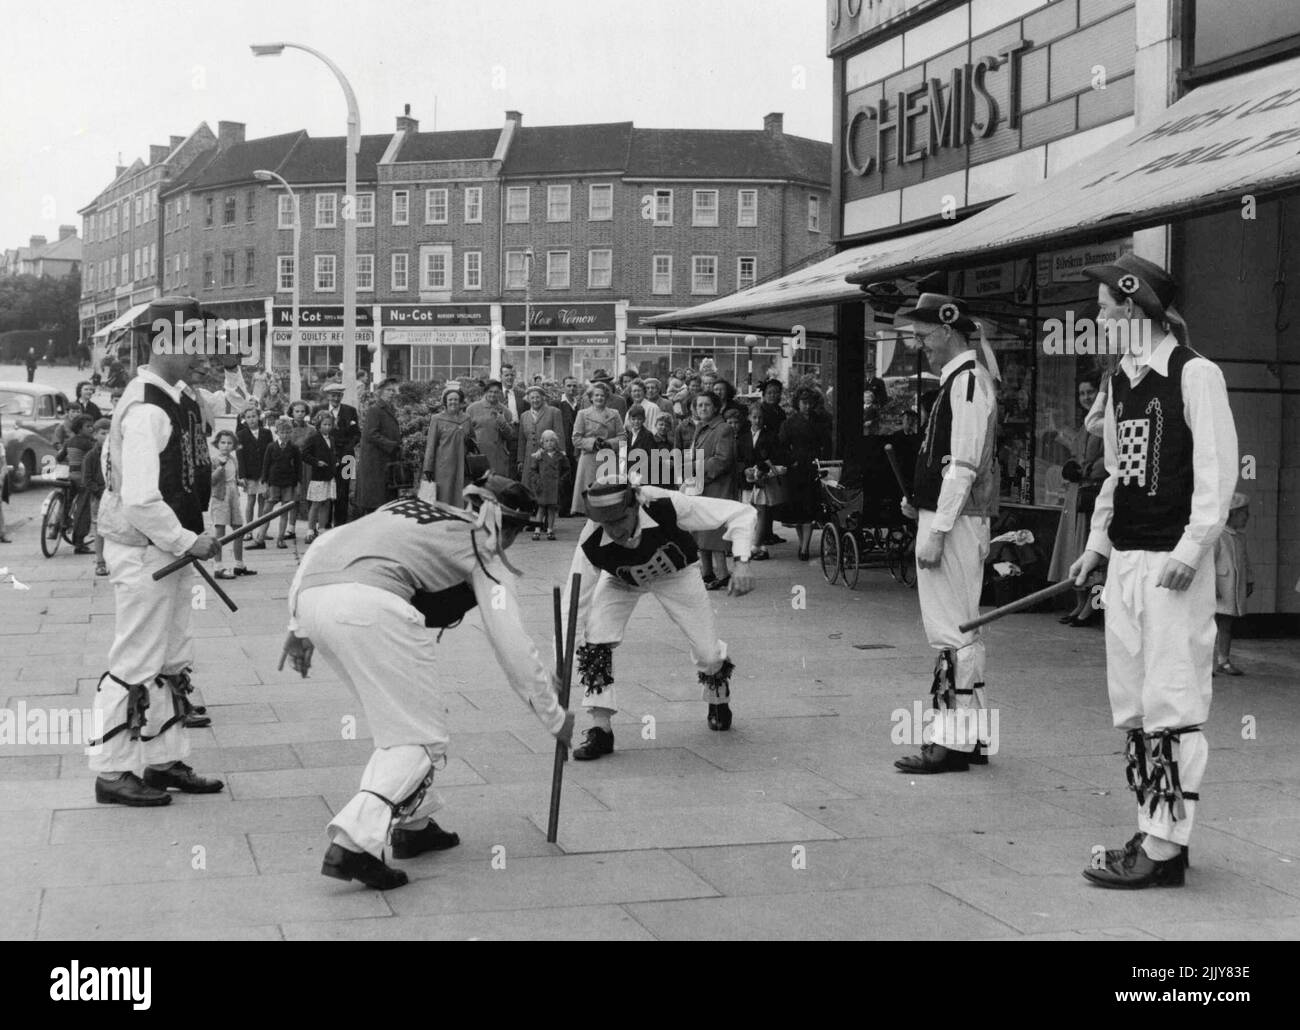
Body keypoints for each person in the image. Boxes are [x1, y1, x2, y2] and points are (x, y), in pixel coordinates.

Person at [281, 473, 575, 890]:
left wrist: (297, 625)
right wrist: (555, 716)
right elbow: (512, 646)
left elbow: (327, 541)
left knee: (401, 718)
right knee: (419, 739)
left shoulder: (407, 507)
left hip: (314, 598)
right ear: (510, 528)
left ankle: (413, 826)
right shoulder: (483, 547)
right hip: (371, 606)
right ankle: (352, 843)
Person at [1070, 253, 1238, 889]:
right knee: (1135, 706)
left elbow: (1218, 475)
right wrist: (1097, 546)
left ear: (1135, 308)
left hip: (1173, 564)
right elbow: (1117, 473)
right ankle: (1157, 827)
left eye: (1106, 305)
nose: (1098, 314)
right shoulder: (1118, 382)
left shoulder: (1197, 375)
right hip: (1128, 563)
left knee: (1172, 700)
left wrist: (1191, 551)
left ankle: (1164, 849)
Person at [89, 307, 231, 807]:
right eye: (195, 342)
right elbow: (140, 499)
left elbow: (190, 479)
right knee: (135, 658)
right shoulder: (147, 408)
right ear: (163, 343)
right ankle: (111, 770)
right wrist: (185, 540)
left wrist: (201, 532)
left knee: (172, 658)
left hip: (168, 550)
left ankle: (165, 760)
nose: (203, 354)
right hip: (145, 552)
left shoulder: (181, 400)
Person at [565, 476, 756, 760]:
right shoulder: (591, 538)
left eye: (619, 520)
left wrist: (741, 562)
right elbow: (575, 595)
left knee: (708, 653)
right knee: (596, 639)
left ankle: (718, 695)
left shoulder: (665, 504)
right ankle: (600, 729)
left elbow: (741, 512)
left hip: (675, 573)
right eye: (606, 523)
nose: (614, 530)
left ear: (635, 506)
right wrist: (564, 648)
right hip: (623, 579)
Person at [892, 294, 1000, 775]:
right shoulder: (962, 380)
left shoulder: (968, 382)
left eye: (923, 337)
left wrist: (935, 528)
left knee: (951, 631)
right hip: (948, 516)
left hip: (954, 521)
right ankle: (972, 734)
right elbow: (949, 462)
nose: (920, 348)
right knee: (961, 627)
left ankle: (950, 743)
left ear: (949, 330)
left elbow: (963, 465)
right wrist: (920, 500)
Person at [1048, 374, 1108, 626]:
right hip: (1077, 494)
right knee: (1076, 549)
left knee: (1089, 550)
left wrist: (1087, 470)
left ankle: (1091, 608)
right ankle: (1079, 604)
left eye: (1090, 393)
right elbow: (1075, 450)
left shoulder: (1104, 422)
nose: (1086, 398)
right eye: (1082, 394)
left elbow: (1109, 460)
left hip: (1094, 492)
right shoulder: (1085, 424)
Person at [686, 391, 738, 591]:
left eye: (707, 405)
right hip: (702, 485)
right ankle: (707, 573)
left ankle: (722, 574)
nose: (703, 409)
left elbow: (723, 459)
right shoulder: (702, 427)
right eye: (699, 405)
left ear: (716, 407)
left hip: (717, 486)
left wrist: (697, 468)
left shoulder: (722, 428)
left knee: (714, 532)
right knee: (701, 531)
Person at [776, 387, 832, 561]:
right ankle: (802, 544)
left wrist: (824, 462)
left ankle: (805, 547)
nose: (807, 406)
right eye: (803, 403)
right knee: (798, 510)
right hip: (796, 468)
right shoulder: (789, 423)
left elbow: (827, 444)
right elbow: (781, 446)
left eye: (809, 403)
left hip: (814, 466)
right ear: (797, 404)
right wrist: (790, 460)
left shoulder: (820, 421)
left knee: (809, 507)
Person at [570, 381, 623, 516]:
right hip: (590, 459)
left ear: (607, 398)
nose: (599, 398)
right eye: (596, 395)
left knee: (608, 495)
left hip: (608, 459)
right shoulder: (583, 414)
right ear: (591, 398)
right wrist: (593, 443)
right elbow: (576, 439)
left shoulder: (614, 414)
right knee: (591, 495)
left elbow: (623, 437)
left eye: (603, 396)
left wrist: (609, 443)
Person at [1214, 493, 1252, 676]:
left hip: (1232, 590)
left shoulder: (1239, 537)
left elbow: (1246, 561)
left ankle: (1223, 660)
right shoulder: (1218, 535)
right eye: (1244, 513)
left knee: (1226, 625)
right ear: (1232, 514)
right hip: (1220, 589)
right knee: (1210, 627)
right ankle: (1204, 663)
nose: (1248, 516)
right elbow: (1210, 563)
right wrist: (1212, 586)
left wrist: (1249, 580)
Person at [208, 429, 255, 579]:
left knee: (238, 529)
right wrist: (220, 466)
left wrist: (240, 481)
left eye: (229, 443)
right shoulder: (215, 460)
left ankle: (239, 565)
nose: (226, 446)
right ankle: (218, 567)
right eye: (223, 442)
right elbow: (211, 481)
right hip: (220, 497)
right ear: (217, 444)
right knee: (220, 532)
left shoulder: (233, 459)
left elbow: (233, 477)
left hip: (233, 494)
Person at [354, 378, 402, 517]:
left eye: (394, 390)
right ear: (380, 392)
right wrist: (392, 445)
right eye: (389, 390)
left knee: (384, 500)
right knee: (375, 501)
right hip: (375, 462)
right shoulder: (375, 410)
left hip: (384, 461)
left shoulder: (388, 409)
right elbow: (371, 434)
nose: (392, 393)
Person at [422, 383, 474, 508]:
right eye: (450, 399)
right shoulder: (437, 419)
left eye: (456, 399)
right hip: (444, 466)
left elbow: (473, 440)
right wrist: (428, 468)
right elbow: (431, 445)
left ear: (460, 402)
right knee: (444, 495)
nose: (453, 402)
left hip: (463, 466)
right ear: (445, 402)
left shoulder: (466, 419)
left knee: (462, 495)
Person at [315, 382, 360, 525]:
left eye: (339, 395)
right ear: (328, 396)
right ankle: (325, 523)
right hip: (325, 456)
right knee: (326, 488)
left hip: (347, 457)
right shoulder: (318, 409)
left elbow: (356, 434)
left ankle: (340, 523)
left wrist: (347, 448)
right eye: (333, 395)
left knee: (343, 489)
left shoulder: (350, 411)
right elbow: (315, 433)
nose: (336, 398)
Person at [56, 413, 96, 554]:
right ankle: (79, 543)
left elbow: (59, 457)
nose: (91, 429)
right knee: (84, 509)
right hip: (82, 479)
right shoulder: (88, 443)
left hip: (70, 477)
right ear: (79, 428)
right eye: (88, 427)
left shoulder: (69, 441)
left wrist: (72, 460)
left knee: (68, 503)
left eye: (92, 426)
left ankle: (60, 524)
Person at [237, 406, 272, 550]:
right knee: (250, 501)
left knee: (263, 501)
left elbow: (270, 453)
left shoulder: (267, 433)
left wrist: (269, 473)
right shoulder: (241, 435)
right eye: (249, 417)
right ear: (245, 419)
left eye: (254, 416)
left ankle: (261, 530)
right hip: (250, 473)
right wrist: (242, 475)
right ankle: (249, 529)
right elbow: (240, 456)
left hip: (263, 472)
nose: (252, 419)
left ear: (259, 417)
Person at [262, 417, 301, 547]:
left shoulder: (294, 448)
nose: (285, 435)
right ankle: (260, 536)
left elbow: (298, 467)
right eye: (282, 432)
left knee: (284, 511)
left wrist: (298, 484)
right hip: (273, 481)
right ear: (277, 432)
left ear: (291, 433)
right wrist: (264, 482)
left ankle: (280, 538)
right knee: (267, 509)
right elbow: (266, 465)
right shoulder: (271, 447)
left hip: (288, 482)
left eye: (288, 432)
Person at [303, 411, 341, 543]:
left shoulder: (331, 439)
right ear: (319, 425)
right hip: (319, 476)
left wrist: (335, 460)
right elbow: (304, 454)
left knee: (327, 503)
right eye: (325, 424)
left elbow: (333, 453)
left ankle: (322, 529)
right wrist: (316, 462)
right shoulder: (313, 439)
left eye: (330, 424)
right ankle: (310, 530)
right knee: (316, 503)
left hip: (329, 475)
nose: (327, 427)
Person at [466, 379, 516, 478]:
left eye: (496, 392)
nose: (493, 395)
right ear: (485, 392)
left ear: (500, 393)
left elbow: (510, 436)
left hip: (498, 457)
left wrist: (503, 422)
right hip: (479, 456)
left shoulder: (506, 411)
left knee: (497, 487)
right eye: (490, 392)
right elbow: (466, 434)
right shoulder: (472, 409)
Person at [526, 429, 569, 541]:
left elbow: (566, 470)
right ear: (542, 443)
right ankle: (537, 530)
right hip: (542, 487)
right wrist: (537, 480)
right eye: (546, 441)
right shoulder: (539, 456)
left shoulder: (560, 456)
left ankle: (550, 530)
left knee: (551, 509)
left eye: (552, 441)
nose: (549, 443)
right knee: (540, 509)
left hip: (554, 487)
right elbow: (533, 470)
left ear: (556, 442)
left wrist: (561, 481)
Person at [517, 384, 563, 475]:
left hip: (549, 456)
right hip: (529, 458)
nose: (535, 400)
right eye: (532, 398)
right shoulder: (524, 416)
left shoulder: (554, 412)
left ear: (543, 398)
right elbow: (522, 440)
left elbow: (559, 436)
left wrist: (559, 457)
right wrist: (520, 460)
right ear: (528, 400)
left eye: (537, 397)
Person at [557, 376, 583, 516]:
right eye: (569, 386)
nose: (572, 389)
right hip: (563, 444)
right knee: (564, 477)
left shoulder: (577, 404)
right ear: (563, 387)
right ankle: (563, 508)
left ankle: (574, 507)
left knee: (574, 475)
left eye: (574, 386)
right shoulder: (557, 404)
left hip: (576, 445)